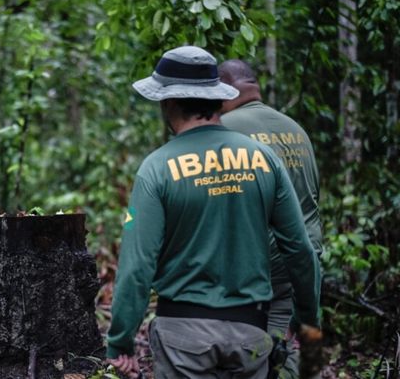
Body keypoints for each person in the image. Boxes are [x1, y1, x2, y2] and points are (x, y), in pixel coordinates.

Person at [105, 46, 321, 379]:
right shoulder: (264, 159)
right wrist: (306, 317)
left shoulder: (157, 168)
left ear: (168, 102)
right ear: (218, 99)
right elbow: (300, 248)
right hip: (251, 332)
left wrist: (120, 341)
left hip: (182, 339)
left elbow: (137, 267)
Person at [219, 59, 323, 379]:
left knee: (240, 350)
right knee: (282, 343)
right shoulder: (297, 130)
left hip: (254, 263)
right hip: (302, 258)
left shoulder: (224, 131)